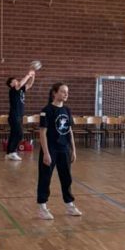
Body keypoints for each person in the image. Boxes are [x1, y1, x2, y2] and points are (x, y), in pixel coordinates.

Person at [37, 83, 82, 219]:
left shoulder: (67, 110)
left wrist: (73, 150)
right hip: (51, 149)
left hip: (64, 149)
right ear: (54, 93)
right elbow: (42, 133)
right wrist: (46, 153)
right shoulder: (46, 110)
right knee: (45, 178)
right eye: (63, 91)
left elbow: (69, 131)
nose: (66, 94)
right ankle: (42, 207)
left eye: (67, 92)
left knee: (66, 178)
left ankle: (69, 205)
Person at [5, 66, 36, 161]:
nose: (16, 81)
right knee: (19, 134)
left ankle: (9, 153)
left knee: (13, 134)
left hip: (19, 116)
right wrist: (28, 74)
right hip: (14, 116)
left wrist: (33, 76)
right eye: (13, 81)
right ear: (11, 85)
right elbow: (20, 83)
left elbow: (29, 84)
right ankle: (12, 152)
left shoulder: (21, 89)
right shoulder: (13, 90)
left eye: (16, 80)